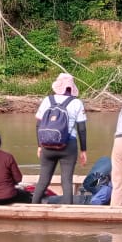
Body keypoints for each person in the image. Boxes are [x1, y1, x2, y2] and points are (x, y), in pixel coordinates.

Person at [31, 72, 88, 204]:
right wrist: (83, 151)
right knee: (66, 181)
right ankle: (67, 212)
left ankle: (33, 207)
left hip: (47, 145)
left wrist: (40, 145)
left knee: (43, 180)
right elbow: (82, 129)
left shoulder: (47, 100)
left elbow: (38, 125)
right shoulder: (76, 103)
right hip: (68, 146)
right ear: (71, 87)